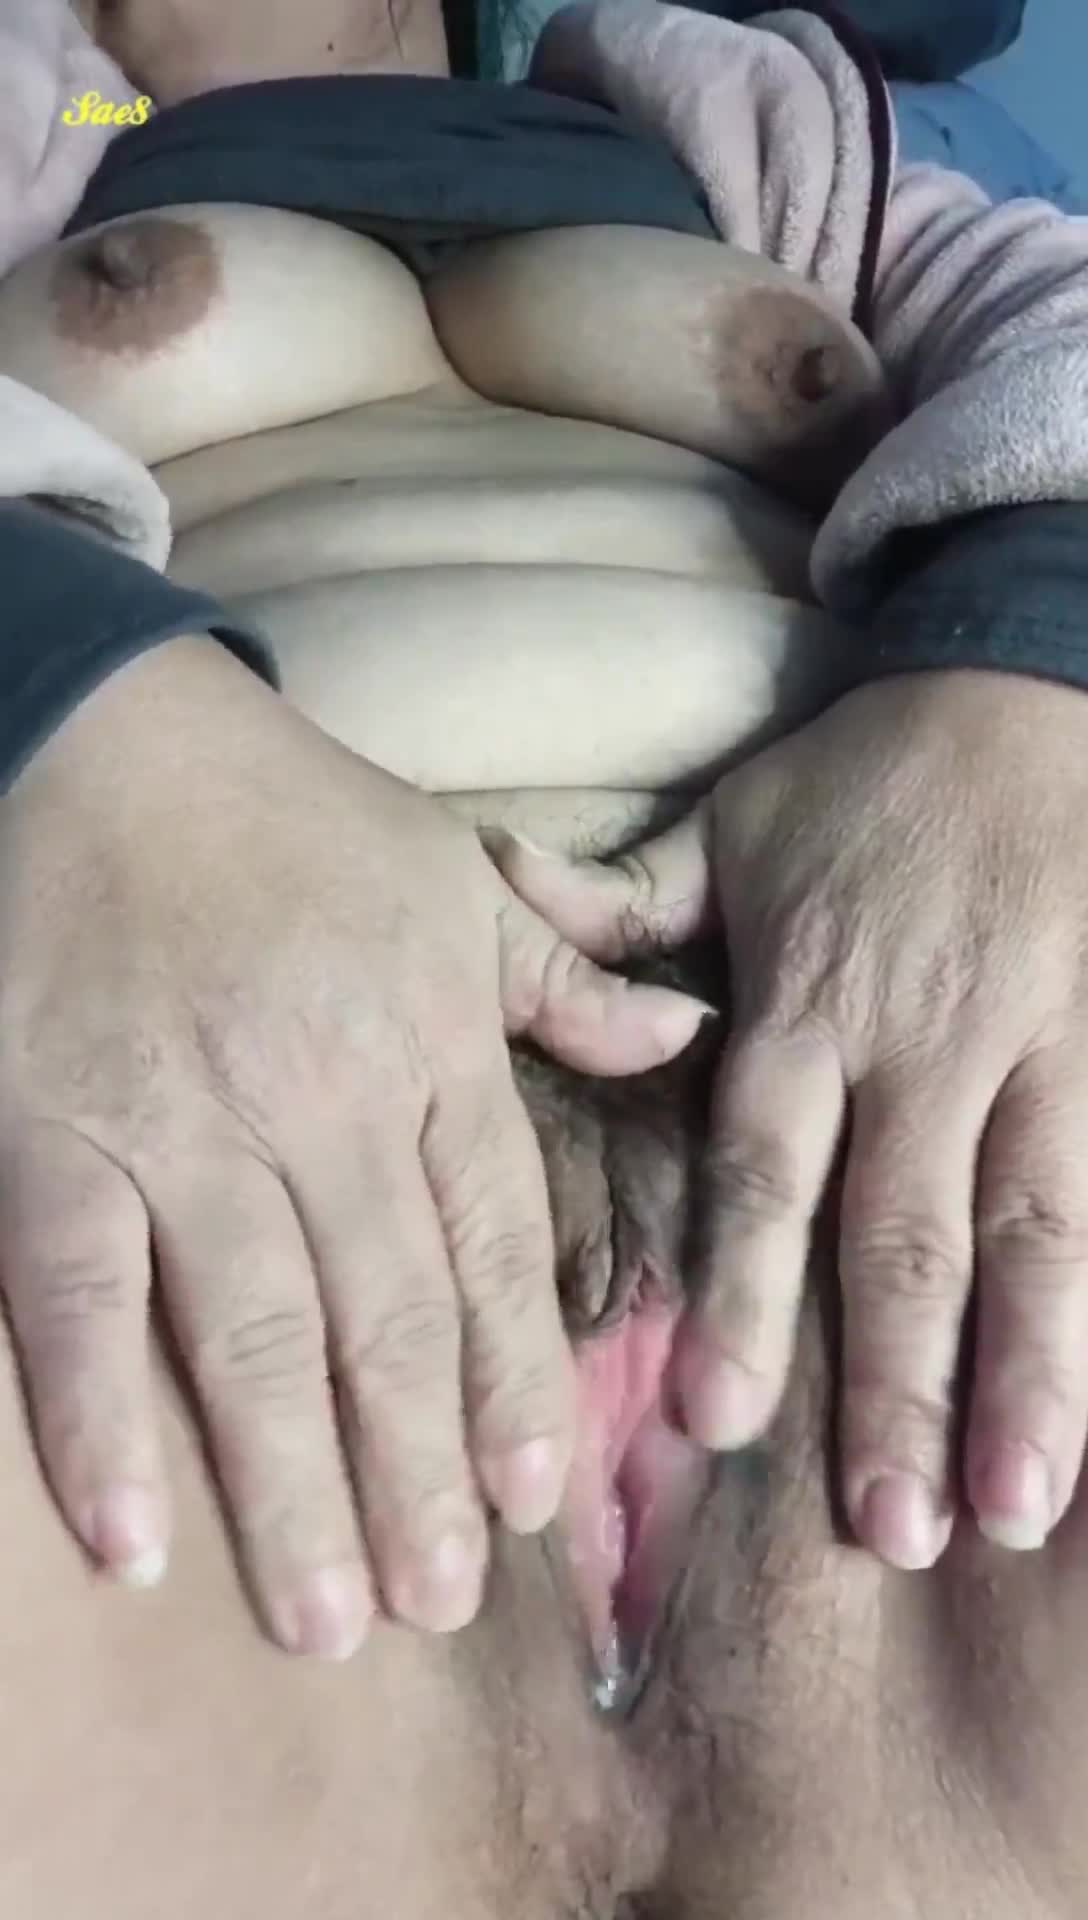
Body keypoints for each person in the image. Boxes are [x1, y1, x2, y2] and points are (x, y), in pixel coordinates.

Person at [3, 0, 1088, 1669]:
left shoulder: (714, 119)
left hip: (925, 1037)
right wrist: (65, 697)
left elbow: (1058, 319)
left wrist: (1033, 671)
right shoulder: (77, 121)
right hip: (172, 1098)